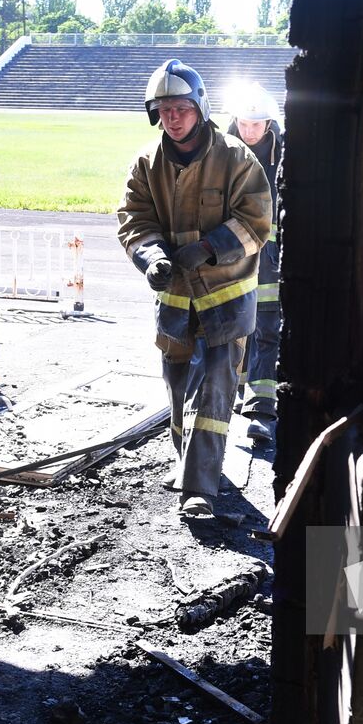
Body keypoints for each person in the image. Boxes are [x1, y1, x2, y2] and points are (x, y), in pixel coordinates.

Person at [117, 60, 272, 519]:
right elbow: (134, 219)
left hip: (226, 297)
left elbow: (256, 221)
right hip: (175, 300)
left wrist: (208, 248)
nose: (173, 118)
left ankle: (199, 487)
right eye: (164, 110)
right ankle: (189, 462)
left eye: (181, 108)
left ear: (200, 108)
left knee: (215, 386)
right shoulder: (147, 164)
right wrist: (152, 257)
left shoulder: (236, 158)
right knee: (178, 383)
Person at [225, 82, 284, 443]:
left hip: (270, 257)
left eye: (256, 124)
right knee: (233, 325)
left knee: (267, 325)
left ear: (269, 123)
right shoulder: (220, 150)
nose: (249, 131)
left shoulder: (284, 153)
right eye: (244, 124)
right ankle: (236, 389)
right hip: (229, 254)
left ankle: (262, 407)